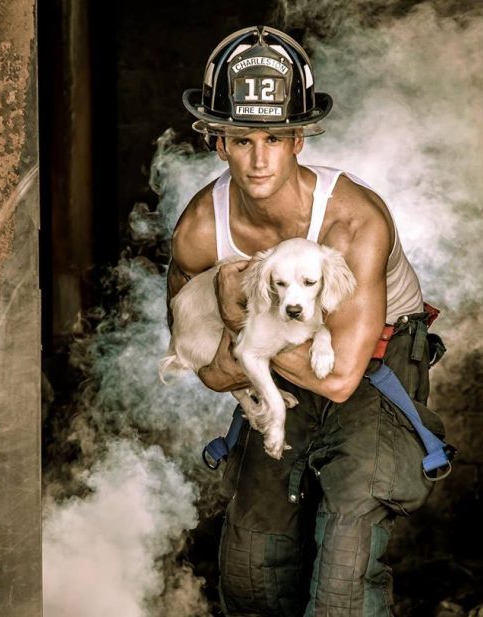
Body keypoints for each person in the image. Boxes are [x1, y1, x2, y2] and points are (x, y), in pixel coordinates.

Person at [167, 25, 446, 617]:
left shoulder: (353, 220)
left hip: (372, 362)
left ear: (299, 140)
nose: (259, 158)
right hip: (275, 354)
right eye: (242, 139)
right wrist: (232, 356)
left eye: (275, 137)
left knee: (342, 576)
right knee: (249, 573)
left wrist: (240, 330)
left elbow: (340, 378)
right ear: (218, 143)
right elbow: (206, 366)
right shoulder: (200, 229)